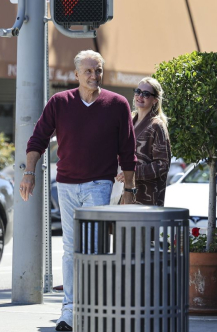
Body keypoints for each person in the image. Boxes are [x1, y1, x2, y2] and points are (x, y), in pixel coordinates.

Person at [19, 50, 137, 332]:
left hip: (99, 184)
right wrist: (29, 172)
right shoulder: (60, 102)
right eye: (88, 71)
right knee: (72, 250)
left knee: (94, 248)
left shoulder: (117, 104)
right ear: (76, 75)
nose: (94, 76)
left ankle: (94, 309)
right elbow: (38, 138)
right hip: (67, 186)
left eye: (98, 71)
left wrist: (129, 189)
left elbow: (128, 150)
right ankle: (69, 312)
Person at [116, 77, 171, 206]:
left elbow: (163, 165)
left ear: (155, 100)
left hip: (146, 198)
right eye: (138, 91)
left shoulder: (157, 125)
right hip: (124, 193)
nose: (140, 96)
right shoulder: (129, 121)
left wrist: (132, 173)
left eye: (146, 94)